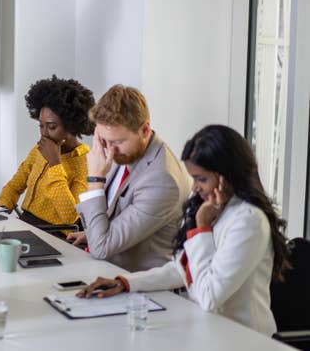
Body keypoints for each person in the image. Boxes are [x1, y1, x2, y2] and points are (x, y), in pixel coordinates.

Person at [78, 125, 291, 336]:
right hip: (207, 331)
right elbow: (183, 268)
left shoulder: (249, 221)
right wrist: (125, 283)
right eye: (194, 178)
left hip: (242, 340)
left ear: (226, 176)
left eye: (202, 179)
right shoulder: (210, 206)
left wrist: (202, 229)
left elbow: (208, 297)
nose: (194, 188)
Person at [67, 85, 189, 272]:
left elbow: (101, 248)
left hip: (135, 285)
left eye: (117, 142)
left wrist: (95, 179)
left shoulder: (162, 180)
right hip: (103, 269)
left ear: (145, 130)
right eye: (103, 140)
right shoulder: (124, 151)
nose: (109, 150)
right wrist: (92, 233)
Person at [0, 76, 94, 233]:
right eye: (41, 126)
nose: (44, 134)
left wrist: (55, 163)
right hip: (26, 225)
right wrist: (0, 212)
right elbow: (14, 186)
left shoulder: (85, 162)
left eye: (51, 127)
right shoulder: (39, 150)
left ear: (71, 126)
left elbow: (69, 215)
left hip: (55, 235)